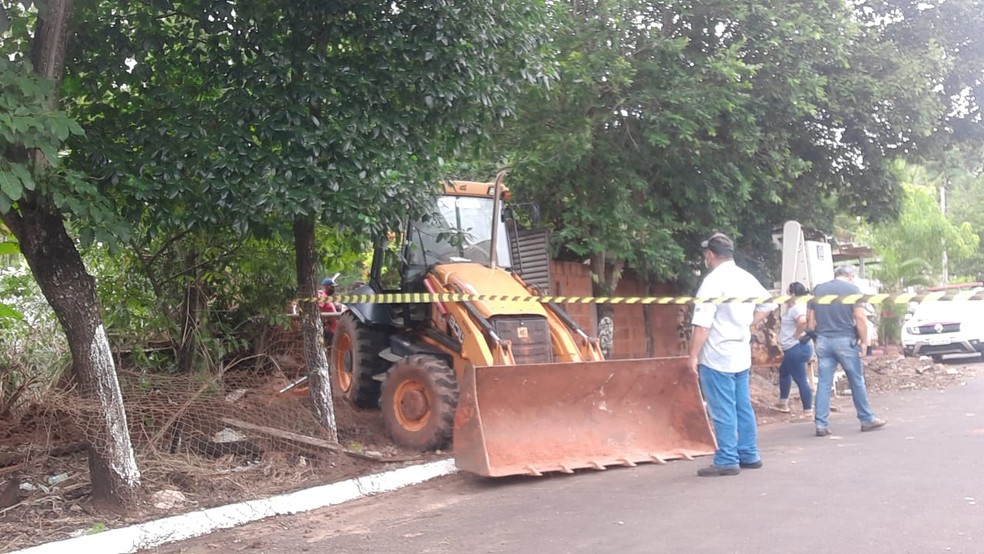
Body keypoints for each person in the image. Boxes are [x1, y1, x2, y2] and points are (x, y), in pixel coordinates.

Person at [689, 232, 778, 477]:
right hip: (740, 354)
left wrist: (692, 356)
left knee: (722, 409)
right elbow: (769, 304)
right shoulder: (745, 278)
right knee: (742, 406)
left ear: (710, 255)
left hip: (717, 356)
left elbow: (703, 325)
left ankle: (727, 458)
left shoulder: (712, 282)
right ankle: (749, 453)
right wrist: (749, 323)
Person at [807, 264, 887, 436]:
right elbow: (859, 317)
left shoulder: (818, 290)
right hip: (845, 340)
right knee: (856, 380)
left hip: (823, 340)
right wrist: (865, 342)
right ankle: (866, 419)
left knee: (824, 383)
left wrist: (815, 336)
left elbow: (810, 320)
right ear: (850, 276)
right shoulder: (852, 290)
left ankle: (820, 424)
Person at [771, 281, 814, 415]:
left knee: (801, 380)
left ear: (793, 294)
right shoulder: (800, 306)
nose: (786, 295)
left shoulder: (797, 308)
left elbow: (802, 321)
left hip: (795, 348)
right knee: (784, 371)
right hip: (796, 348)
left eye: (787, 292)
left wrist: (796, 335)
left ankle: (808, 410)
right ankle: (783, 402)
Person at [318, 277, 340, 344]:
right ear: (327, 287)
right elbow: (318, 308)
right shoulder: (322, 296)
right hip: (329, 331)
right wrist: (325, 322)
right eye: (332, 287)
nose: (334, 289)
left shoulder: (327, 297)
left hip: (334, 330)